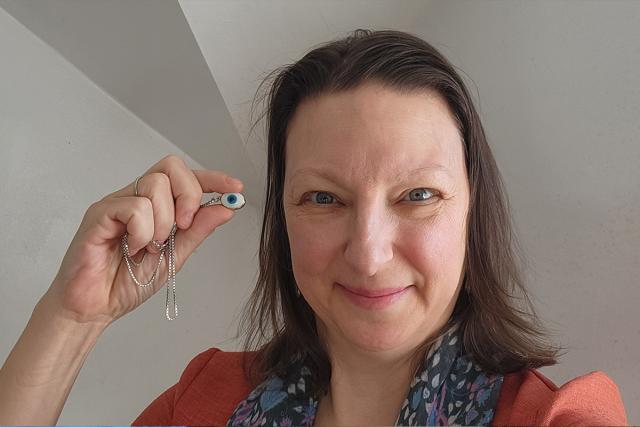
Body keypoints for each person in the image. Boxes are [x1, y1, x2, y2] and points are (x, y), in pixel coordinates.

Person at [0, 29, 628, 426]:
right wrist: (73, 316)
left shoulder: (555, 419)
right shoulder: (205, 401)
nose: (370, 252)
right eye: (324, 197)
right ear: (282, 221)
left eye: (418, 195)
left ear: (472, 215)